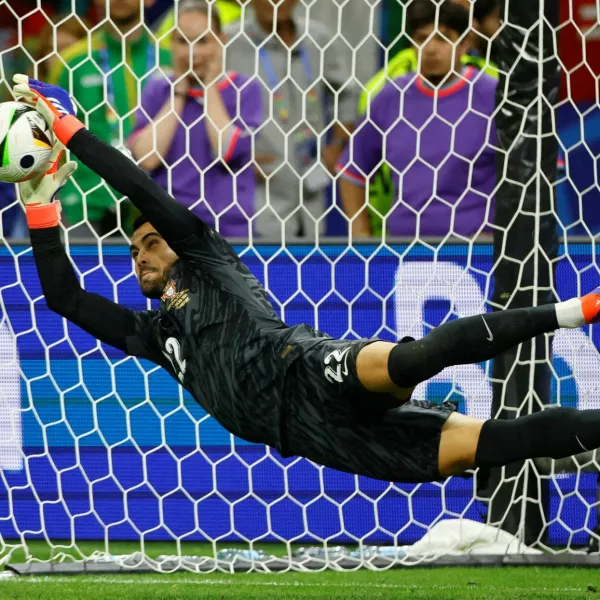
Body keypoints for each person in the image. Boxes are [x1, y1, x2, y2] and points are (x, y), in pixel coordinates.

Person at [14, 74, 600, 485]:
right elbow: (65, 297)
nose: (139, 254)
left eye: (150, 242)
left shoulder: (208, 257)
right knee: (496, 446)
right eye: (133, 247)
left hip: (303, 366)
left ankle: (574, 311)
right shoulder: (155, 336)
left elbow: (140, 188)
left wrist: (69, 132)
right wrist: (42, 211)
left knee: (405, 363)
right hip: (318, 437)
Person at [337, 0, 497, 239]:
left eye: (443, 39)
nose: (431, 49)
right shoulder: (390, 97)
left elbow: (538, 172)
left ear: (464, 44)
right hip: (405, 251)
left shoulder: (494, 96)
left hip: (476, 253)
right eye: (422, 39)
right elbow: (351, 171)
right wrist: (360, 235)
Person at [225, 0, 357, 240]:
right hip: (258, 191)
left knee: (309, 262)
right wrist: (236, 157)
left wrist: (337, 146)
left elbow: (347, 92)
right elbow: (208, 102)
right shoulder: (229, 42)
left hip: (311, 188)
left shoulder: (318, 38)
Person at [129, 0, 261, 238]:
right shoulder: (158, 89)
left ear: (221, 41)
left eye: (202, 41)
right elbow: (147, 158)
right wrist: (179, 92)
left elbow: (227, 150)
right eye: (183, 41)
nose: (193, 52)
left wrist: (210, 87)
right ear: (171, 44)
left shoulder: (244, 88)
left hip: (230, 230)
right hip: (170, 227)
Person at [48, 0, 171, 237]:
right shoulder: (71, 62)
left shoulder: (170, 58)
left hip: (160, 208)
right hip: (86, 210)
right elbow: (49, 139)